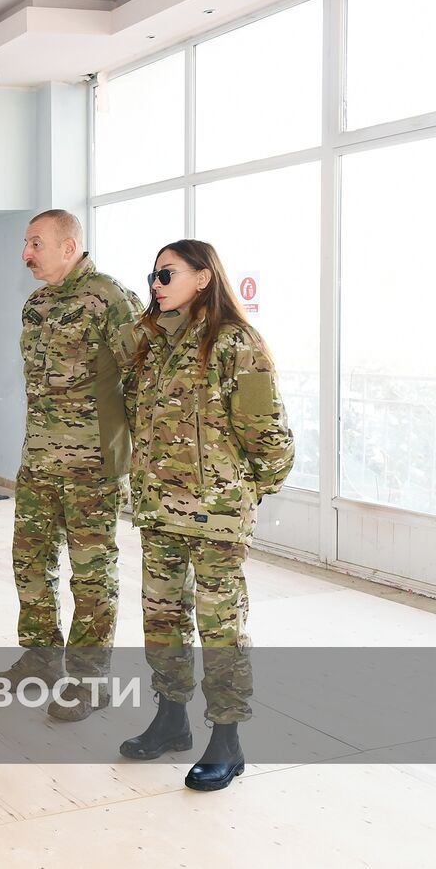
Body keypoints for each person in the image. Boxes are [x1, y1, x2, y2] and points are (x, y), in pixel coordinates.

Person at [119, 239, 293, 791]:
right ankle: (171, 718)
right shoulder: (153, 343)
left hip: (216, 515)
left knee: (221, 627)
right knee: (162, 618)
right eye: (152, 275)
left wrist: (244, 492)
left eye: (167, 274)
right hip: (158, 510)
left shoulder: (235, 344)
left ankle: (227, 738)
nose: (155, 284)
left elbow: (269, 433)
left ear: (203, 277)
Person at [0, 209, 144, 721]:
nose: (26, 254)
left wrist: (134, 457)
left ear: (69, 245)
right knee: (30, 563)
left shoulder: (110, 298)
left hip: (92, 464)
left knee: (91, 574)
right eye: (26, 243)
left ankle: (89, 679)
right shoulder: (36, 304)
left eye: (36, 243)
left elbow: (142, 378)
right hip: (38, 459)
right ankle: (40, 656)